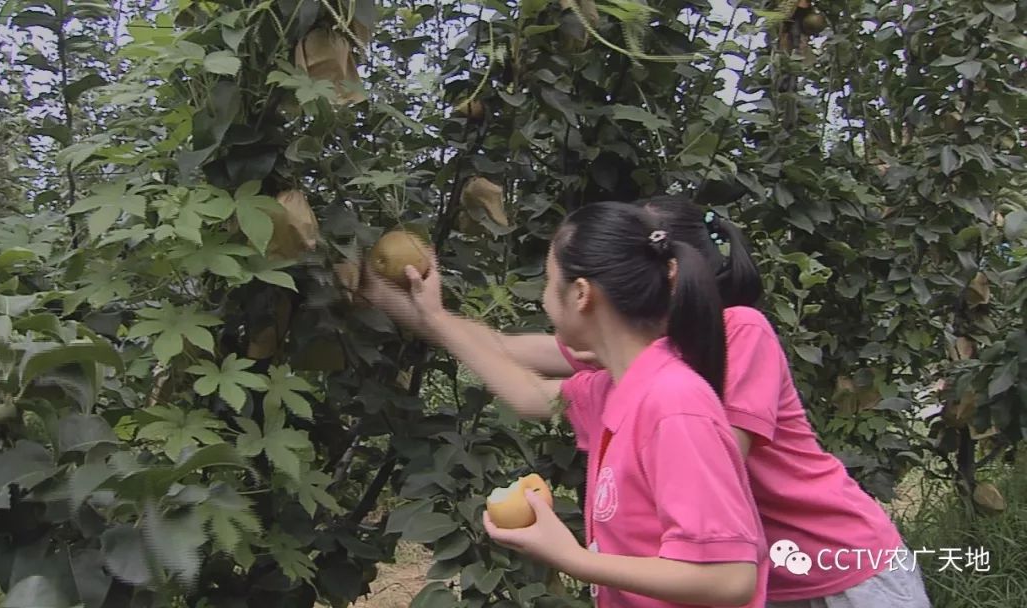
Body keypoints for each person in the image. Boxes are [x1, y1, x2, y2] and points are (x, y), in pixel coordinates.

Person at [361, 195, 932, 608]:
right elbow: (521, 368)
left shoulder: (728, 342)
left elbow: (711, 465)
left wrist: (582, 555)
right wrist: (424, 316)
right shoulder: (630, 375)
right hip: (761, 575)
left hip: (844, 565)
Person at [365, 201, 768, 607]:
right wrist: (429, 316)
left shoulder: (674, 403)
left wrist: (572, 558)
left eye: (547, 283)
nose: (543, 300)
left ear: (580, 295)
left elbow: (730, 578)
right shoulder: (616, 389)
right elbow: (530, 394)